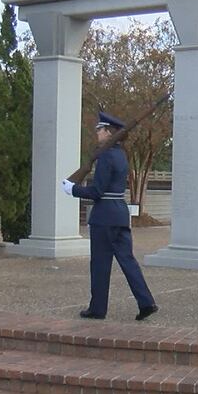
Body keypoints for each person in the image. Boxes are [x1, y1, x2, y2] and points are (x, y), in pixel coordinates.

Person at [61, 111, 158, 321]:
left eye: (99, 129)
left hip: (104, 217)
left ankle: (98, 309)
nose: (97, 133)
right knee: (128, 261)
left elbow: (97, 192)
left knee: (100, 264)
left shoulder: (106, 156)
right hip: (120, 214)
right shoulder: (120, 154)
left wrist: (72, 189)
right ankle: (146, 302)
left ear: (108, 132)